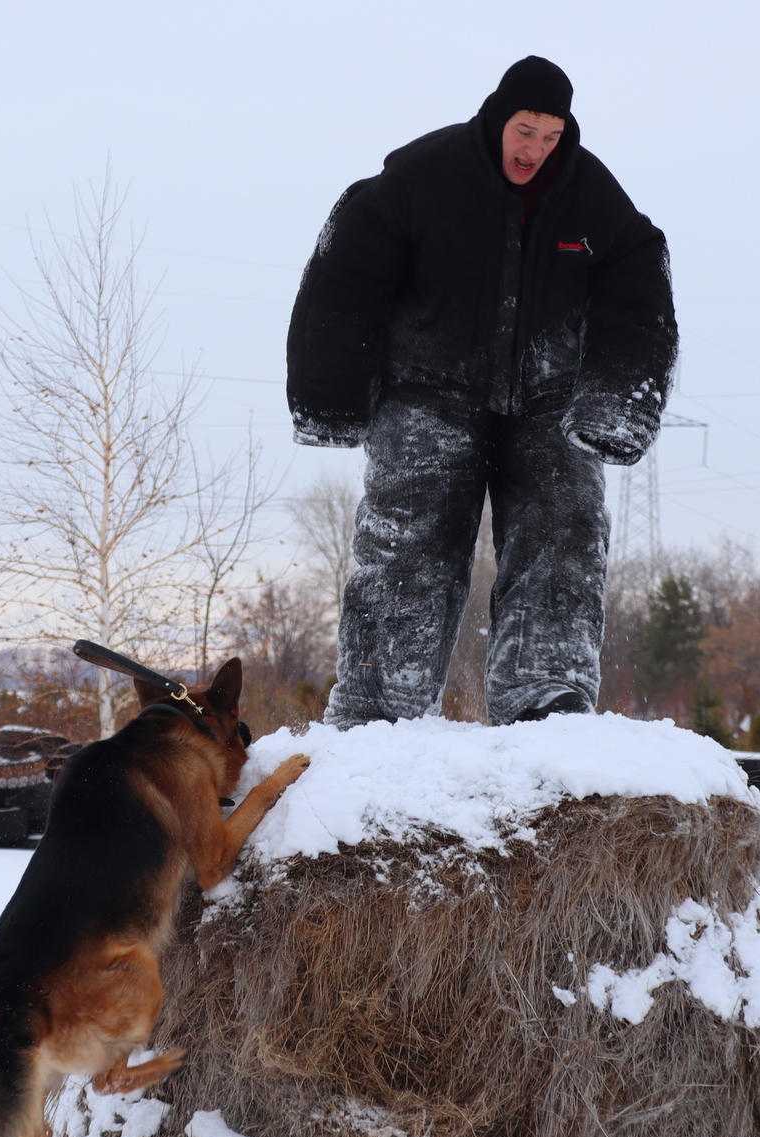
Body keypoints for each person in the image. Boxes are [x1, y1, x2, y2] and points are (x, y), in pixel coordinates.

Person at [287, 55, 679, 727]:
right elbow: (346, 273)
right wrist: (330, 395)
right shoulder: (422, 177)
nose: (535, 150)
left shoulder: (592, 198)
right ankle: (380, 706)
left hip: (546, 400)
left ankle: (546, 699)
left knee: (564, 533)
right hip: (428, 392)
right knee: (407, 546)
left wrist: (617, 405)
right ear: (501, 117)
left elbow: (639, 288)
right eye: (525, 131)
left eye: (551, 137)